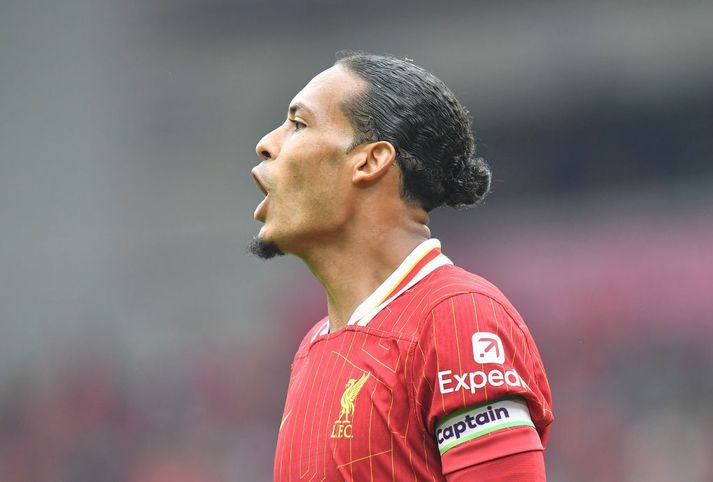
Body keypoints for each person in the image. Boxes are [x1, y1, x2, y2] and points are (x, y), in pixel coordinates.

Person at [249, 51, 553, 481]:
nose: (266, 143)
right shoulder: (313, 348)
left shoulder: (456, 316)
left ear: (370, 161)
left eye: (298, 124)